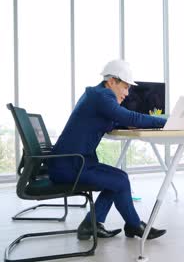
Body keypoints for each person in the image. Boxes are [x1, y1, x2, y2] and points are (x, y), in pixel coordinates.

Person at [48, 59, 167, 240]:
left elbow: (115, 119)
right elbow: (129, 117)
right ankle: (134, 226)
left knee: (118, 179)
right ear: (112, 81)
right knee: (119, 180)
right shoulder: (103, 96)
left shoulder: (96, 95)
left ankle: (92, 224)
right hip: (70, 165)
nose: (127, 93)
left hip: (72, 161)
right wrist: (165, 121)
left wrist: (127, 122)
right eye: (125, 87)